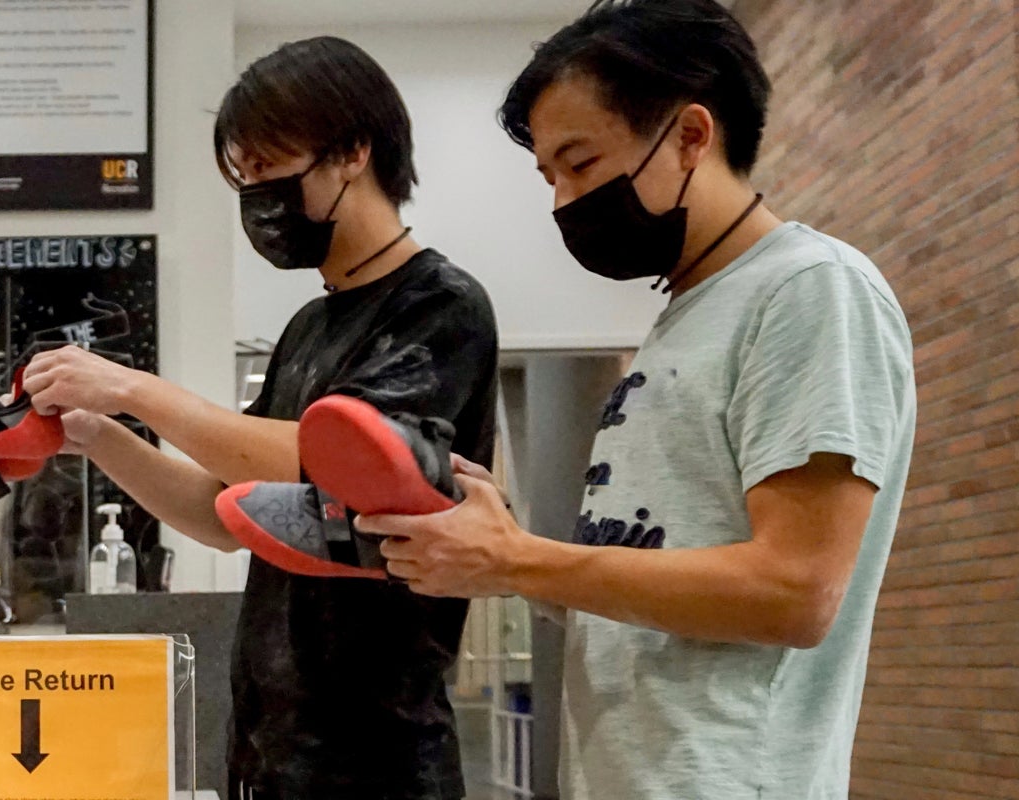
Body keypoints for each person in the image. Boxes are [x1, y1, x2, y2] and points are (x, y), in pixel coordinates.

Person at [356, 2, 915, 798]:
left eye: (580, 163)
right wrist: (510, 556)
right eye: (549, 177)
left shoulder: (810, 290)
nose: (562, 203)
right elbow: (652, 580)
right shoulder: (685, 316)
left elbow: (795, 591)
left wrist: (520, 558)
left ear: (691, 135)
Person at [22, 37, 499, 799]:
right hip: (268, 748)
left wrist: (135, 390)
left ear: (353, 152)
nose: (257, 198)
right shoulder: (309, 328)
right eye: (244, 179)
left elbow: (350, 461)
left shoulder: (440, 306)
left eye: (270, 168)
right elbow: (224, 512)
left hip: (377, 757)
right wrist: (97, 436)